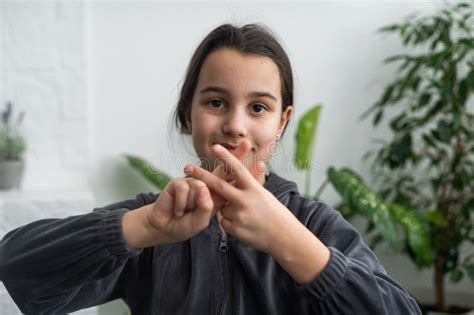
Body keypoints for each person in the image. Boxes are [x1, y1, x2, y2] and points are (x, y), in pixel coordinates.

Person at [0, 23, 421, 314]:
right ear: (189, 113)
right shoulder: (156, 218)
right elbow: (16, 265)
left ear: (282, 122)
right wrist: (143, 228)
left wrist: (290, 241)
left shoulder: (314, 224)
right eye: (216, 102)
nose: (235, 125)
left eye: (258, 107)